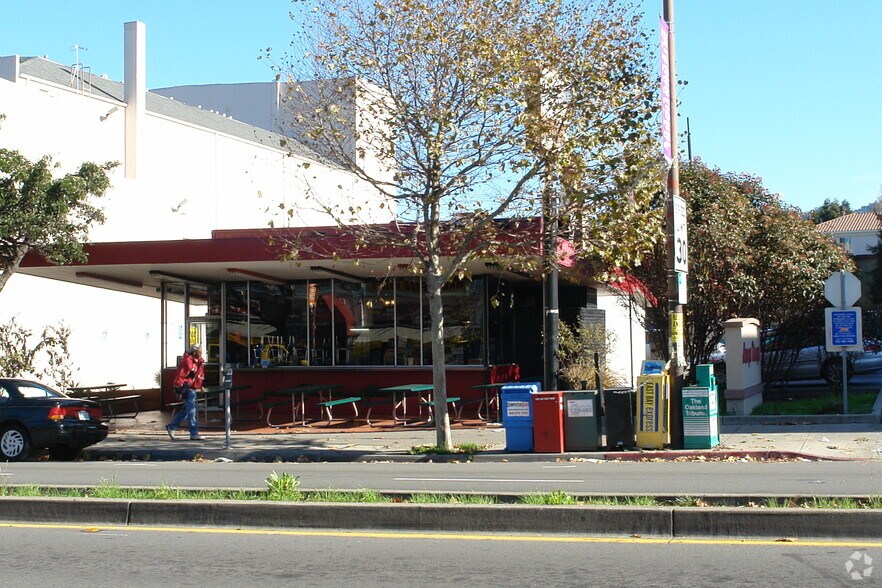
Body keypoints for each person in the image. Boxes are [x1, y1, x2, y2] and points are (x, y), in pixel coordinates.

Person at [166, 344, 206, 441]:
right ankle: (193, 433)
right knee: (192, 411)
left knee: (186, 411)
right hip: (186, 387)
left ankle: (172, 426)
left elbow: (197, 376)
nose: (201, 352)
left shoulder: (197, 362)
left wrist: (200, 386)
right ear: (194, 352)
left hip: (191, 387)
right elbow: (181, 375)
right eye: (199, 351)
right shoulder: (188, 361)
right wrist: (178, 388)